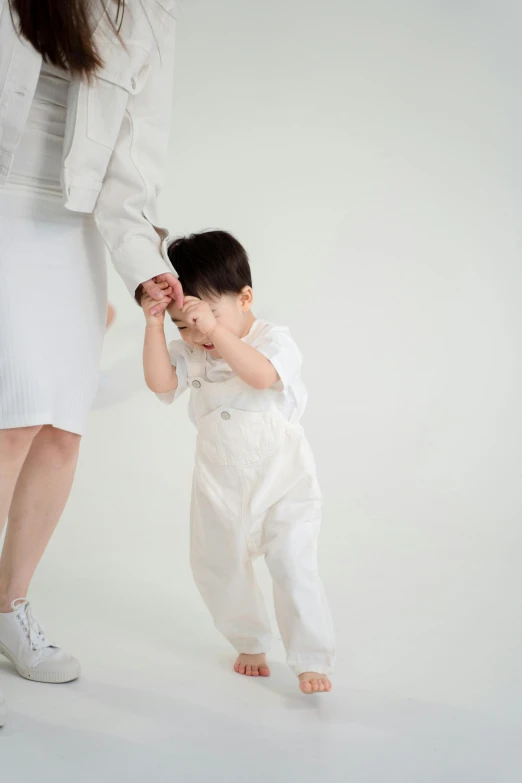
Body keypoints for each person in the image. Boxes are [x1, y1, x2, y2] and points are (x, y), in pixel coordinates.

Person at [0, 0, 183, 723]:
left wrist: (145, 269)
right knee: (10, 424)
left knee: (59, 431)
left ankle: (11, 607)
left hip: (68, 228)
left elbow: (132, 174)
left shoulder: (149, 18)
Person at [141, 231, 335, 694]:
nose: (194, 334)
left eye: (204, 318)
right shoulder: (191, 350)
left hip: (281, 480)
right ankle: (248, 640)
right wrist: (154, 327)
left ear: (245, 298)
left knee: (293, 565)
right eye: (181, 325)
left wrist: (215, 332)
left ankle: (311, 656)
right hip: (218, 484)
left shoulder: (274, 341)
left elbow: (262, 376)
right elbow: (160, 384)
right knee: (218, 567)